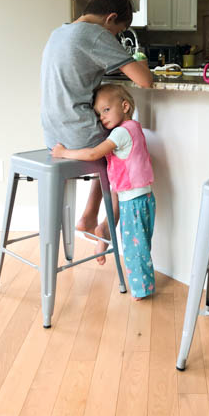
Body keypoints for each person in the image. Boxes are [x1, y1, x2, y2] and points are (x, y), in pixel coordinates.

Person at [41, 0, 153, 260]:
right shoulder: (95, 35)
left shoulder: (59, 32)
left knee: (107, 153)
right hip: (77, 131)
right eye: (117, 32)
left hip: (52, 133)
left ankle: (90, 215)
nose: (114, 38)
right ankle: (103, 225)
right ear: (110, 19)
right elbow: (145, 80)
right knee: (123, 152)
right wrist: (138, 60)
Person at [52, 84, 155, 300]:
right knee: (136, 242)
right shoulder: (132, 128)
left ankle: (142, 290)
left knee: (135, 247)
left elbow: (93, 154)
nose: (102, 117)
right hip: (136, 197)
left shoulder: (121, 133)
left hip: (134, 200)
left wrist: (64, 152)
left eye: (106, 110)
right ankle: (104, 240)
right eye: (99, 114)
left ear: (125, 106)